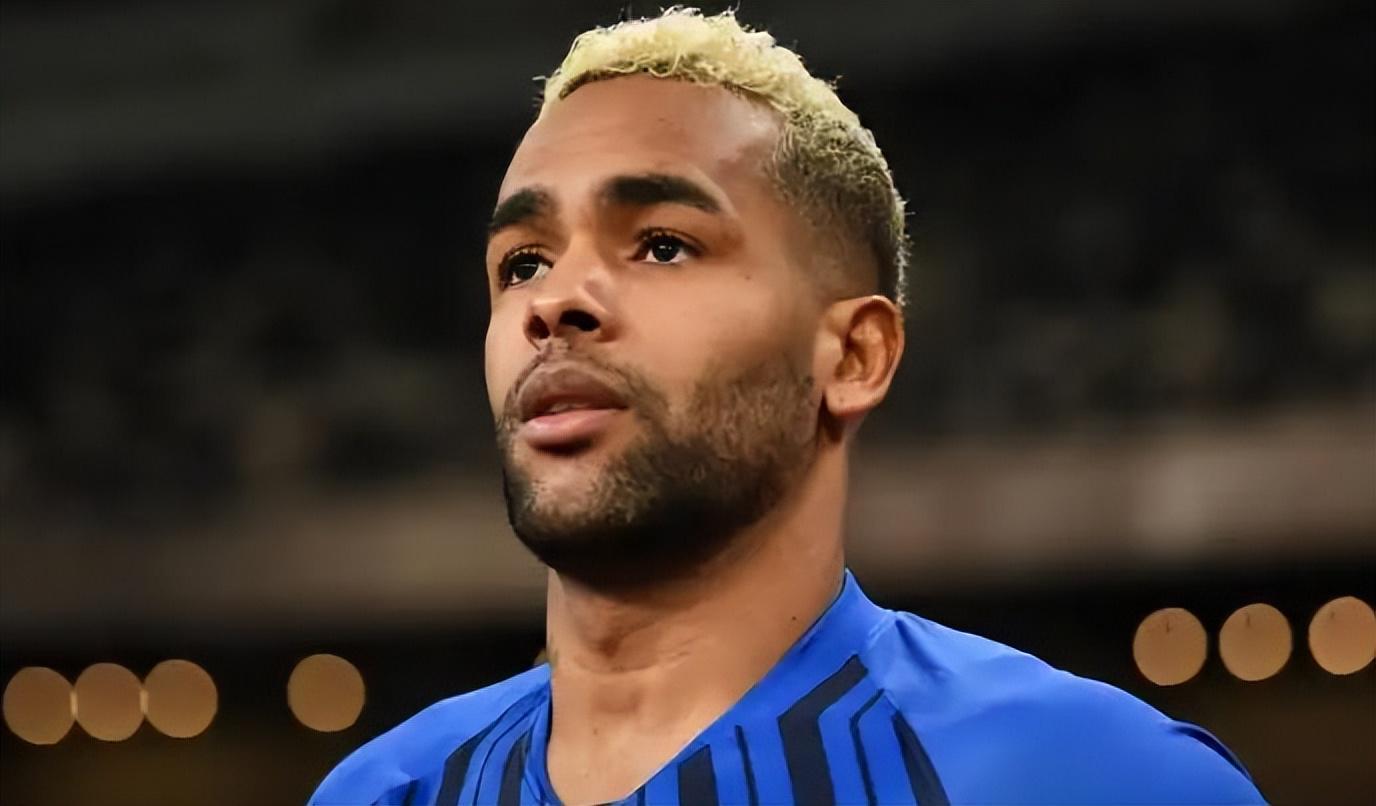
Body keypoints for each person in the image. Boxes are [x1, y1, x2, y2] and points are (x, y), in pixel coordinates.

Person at [309, 8, 1264, 805]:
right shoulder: (380, 791)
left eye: (662, 245)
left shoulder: (1095, 781)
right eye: (523, 263)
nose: (554, 301)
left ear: (853, 355)